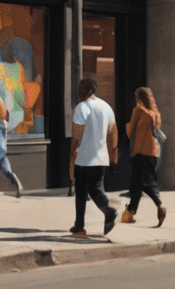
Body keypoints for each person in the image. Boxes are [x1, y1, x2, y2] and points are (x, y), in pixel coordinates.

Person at [69, 74, 119, 237]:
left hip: (83, 158)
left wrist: (72, 159)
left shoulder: (81, 108)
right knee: (90, 189)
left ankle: (106, 211)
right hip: (101, 158)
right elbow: (113, 131)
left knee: (87, 191)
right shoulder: (106, 107)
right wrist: (114, 153)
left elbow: (76, 138)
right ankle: (79, 225)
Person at [123, 86, 166, 226]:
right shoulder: (155, 113)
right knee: (137, 185)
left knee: (145, 184)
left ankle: (160, 206)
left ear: (139, 98)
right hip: (153, 153)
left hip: (140, 152)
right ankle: (130, 212)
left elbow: (131, 132)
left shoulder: (138, 111)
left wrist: (127, 125)